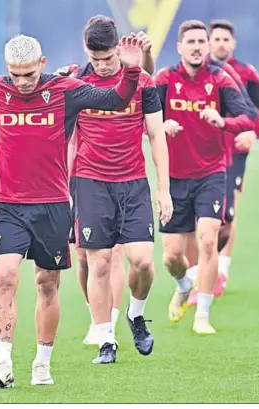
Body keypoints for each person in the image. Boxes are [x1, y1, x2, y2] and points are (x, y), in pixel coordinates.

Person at [0, 34, 143, 386]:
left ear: (42, 64)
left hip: (52, 206)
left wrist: (133, 69)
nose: (22, 82)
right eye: (15, 75)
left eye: (29, 74)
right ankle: (3, 364)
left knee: (46, 284)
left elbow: (117, 98)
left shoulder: (66, 90)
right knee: (4, 278)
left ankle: (42, 363)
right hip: (7, 205)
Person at [62, 15, 172, 363]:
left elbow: (156, 136)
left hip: (133, 183)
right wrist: (63, 188)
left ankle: (135, 314)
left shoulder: (142, 82)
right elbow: (64, 139)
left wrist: (163, 190)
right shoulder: (76, 82)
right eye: (96, 60)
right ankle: (105, 339)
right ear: (86, 51)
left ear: (119, 48)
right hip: (91, 183)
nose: (103, 66)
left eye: (108, 58)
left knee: (141, 262)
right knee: (99, 262)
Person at [154, 20, 254, 334]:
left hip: (212, 172)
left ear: (207, 47)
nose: (197, 46)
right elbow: (144, 117)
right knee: (172, 256)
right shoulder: (165, 79)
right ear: (179, 47)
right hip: (174, 177)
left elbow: (246, 116)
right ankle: (184, 285)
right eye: (191, 42)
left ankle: (202, 316)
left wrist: (223, 121)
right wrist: (161, 126)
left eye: (202, 41)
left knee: (208, 240)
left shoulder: (221, 79)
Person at [208, 19, 259, 281]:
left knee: (228, 209)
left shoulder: (246, 73)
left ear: (233, 43)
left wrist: (253, 132)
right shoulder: (200, 71)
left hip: (235, 150)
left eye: (225, 39)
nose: (221, 43)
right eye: (216, 39)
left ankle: (222, 268)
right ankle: (199, 268)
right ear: (209, 42)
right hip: (205, 150)